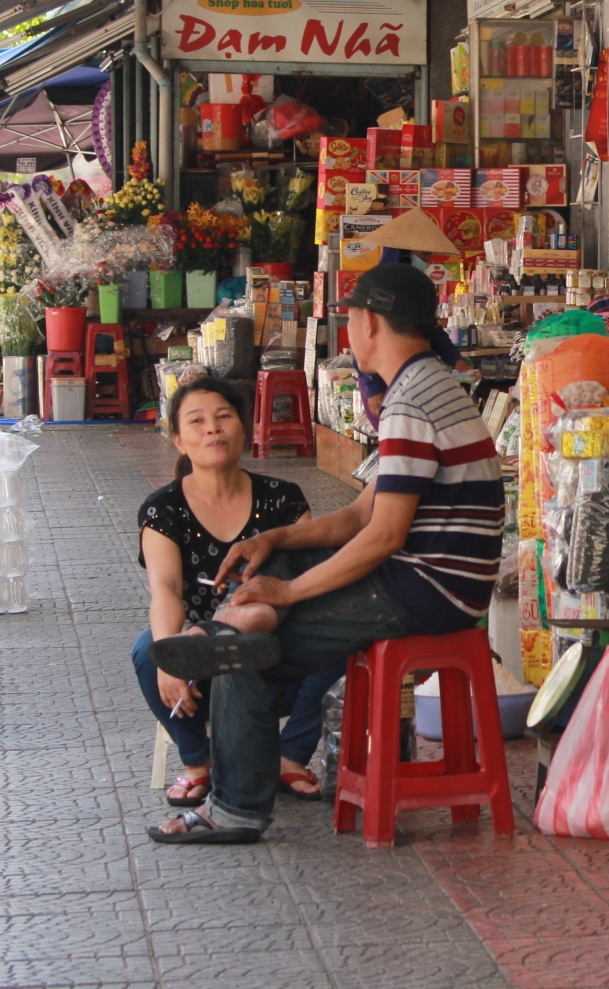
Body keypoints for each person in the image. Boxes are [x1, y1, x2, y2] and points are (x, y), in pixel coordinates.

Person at [146, 263, 506, 844]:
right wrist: (275, 539)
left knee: (242, 652)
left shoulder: (412, 401)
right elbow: (363, 512)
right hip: (434, 580)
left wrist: (288, 592)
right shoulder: (429, 386)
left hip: (429, 589)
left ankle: (234, 805)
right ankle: (238, 619)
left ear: (367, 322)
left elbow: (383, 536)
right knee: (274, 565)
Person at [132, 378, 343, 807]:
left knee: (342, 634)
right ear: (178, 440)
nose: (213, 429)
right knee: (147, 651)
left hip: (280, 658)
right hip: (205, 667)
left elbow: (311, 579)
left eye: (223, 417)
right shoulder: (163, 510)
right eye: (197, 421)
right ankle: (198, 763)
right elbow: (166, 589)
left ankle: (290, 755)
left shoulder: (283, 500)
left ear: (243, 428)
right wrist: (169, 655)